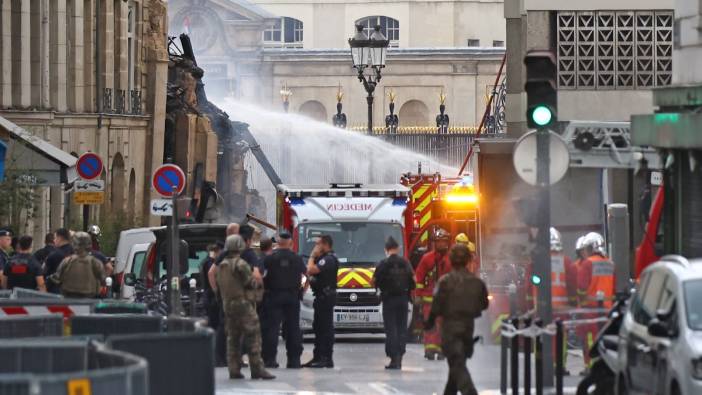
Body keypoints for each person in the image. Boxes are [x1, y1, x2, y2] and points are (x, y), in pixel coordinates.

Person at [425, 244, 489, 395]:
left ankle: (470, 392)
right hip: (468, 328)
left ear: (451, 260)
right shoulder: (477, 283)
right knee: (456, 363)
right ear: (468, 260)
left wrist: (429, 323)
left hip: (450, 329)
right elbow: (484, 304)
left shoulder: (444, 282)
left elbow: (436, 306)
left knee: (457, 365)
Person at [215, 234, 275, 380]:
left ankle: (234, 370)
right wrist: (258, 286)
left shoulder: (222, 265)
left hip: (227, 304)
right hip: (242, 304)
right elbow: (250, 282)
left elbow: (218, 286)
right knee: (253, 335)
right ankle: (257, 369)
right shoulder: (240, 264)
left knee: (233, 338)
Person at [261, 231, 306, 369]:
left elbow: (261, 276)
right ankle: (294, 360)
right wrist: (301, 291)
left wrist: (263, 292)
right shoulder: (297, 259)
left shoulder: (269, 259)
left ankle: (270, 360)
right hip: (292, 297)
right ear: (290, 243)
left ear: (278, 243)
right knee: (293, 328)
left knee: (272, 329)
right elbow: (306, 276)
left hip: (273, 296)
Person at [373, 236, 415, 370]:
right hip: (403, 299)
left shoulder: (382, 263)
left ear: (386, 249)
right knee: (402, 329)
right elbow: (414, 280)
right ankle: (399, 358)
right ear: (398, 249)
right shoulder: (405, 263)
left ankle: (393, 359)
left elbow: (373, 281)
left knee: (391, 329)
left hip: (389, 300)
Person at [577, 232, 615, 368]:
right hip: (608, 309)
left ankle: (591, 366)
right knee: (604, 339)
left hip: (590, 308)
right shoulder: (610, 264)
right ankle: (603, 364)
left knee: (589, 339)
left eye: (587, 248)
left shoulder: (588, 263)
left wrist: (579, 301)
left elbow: (580, 287)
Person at [415, 228, 451, 360]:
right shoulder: (427, 259)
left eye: (444, 241)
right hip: (428, 300)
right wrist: (418, 295)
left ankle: (442, 350)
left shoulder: (451, 259)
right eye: (439, 242)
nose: (442, 244)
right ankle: (430, 350)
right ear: (435, 243)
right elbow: (419, 277)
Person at [303, 235, 339, 368]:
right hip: (321, 297)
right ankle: (317, 356)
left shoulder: (329, 259)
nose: (315, 247)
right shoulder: (324, 258)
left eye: (318, 244)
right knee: (318, 327)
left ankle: (326, 358)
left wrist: (312, 256)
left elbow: (311, 270)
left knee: (325, 328)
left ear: (325, 244)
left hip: (326, 297)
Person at [52, 232, 105, 298]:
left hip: (69, 297)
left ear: (74, 244)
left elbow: (56, 278)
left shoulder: (67, 261)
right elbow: (103, 279)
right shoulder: (95, 262)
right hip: (90, 298)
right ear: (89, 244)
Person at [44, 228, 74, 293]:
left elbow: (45, 272)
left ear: (59, 238)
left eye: (55, 238)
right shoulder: (75, 253)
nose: (54, 240)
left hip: (56, 291)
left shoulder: (54, 255)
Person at [200, 243, 223, 330]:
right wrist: (216, 291)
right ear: (216, 251)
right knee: (215, 324)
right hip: (211, 297)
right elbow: (211, 274)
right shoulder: (210, 263)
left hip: (208, 295)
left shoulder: (205, 262)